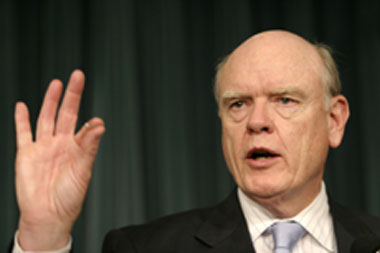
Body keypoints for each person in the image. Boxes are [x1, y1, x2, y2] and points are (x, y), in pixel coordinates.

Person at [11, 30, 380, 252]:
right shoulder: (144, 250)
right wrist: (43, 236)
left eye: (285, 100)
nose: (256, 122)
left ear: (334, 121)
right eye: (238, 103)